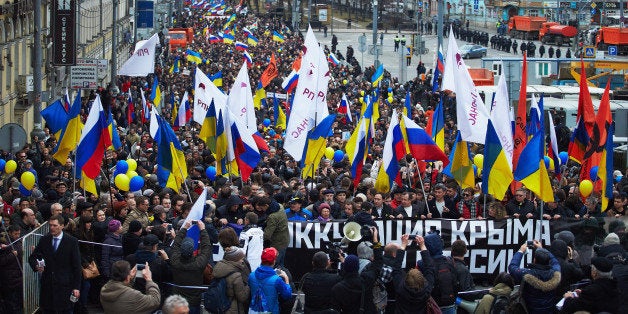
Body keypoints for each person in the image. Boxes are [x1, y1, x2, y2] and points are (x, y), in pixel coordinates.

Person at [28, 215, 82, 314]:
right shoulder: (45, 240)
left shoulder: (71, 241)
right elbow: (32, 257)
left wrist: (76, 287)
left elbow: (77, 266)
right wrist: (36, 265)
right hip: (48, 288)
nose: (52, 228)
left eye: (55, 225)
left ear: (62, 226)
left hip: (65, 287)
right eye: (50, 225)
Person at [331, 226, 383, 313]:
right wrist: (375, 238)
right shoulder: (367, 279)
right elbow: (378, 260)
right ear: (357, 267)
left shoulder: (338, 287)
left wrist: (343, 262)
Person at [170, 220, 212, 314]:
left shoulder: (175, 261)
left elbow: (175, 244)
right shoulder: (198, 264)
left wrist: (184, 228)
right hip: (193, 303)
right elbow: (206, 248)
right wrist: (203, 230)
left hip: (177, 301)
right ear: (193, 251)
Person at [508, 240, 561, 313]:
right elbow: (555, 262)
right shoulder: (555, 273)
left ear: (534, 260)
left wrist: (520, 251)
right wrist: (543, 250)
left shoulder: (526, 274)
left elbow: (512, 267)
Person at [392, 235, 435, 313]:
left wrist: (403, 245)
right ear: (422, 279)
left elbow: (396, 268)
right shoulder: (427, 290)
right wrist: (422, 245)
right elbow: (430, 269)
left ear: (406, 278)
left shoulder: (400, 288)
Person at [248, 247, 292, 314]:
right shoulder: (277, 280)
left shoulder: (251, 276)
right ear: (274, 261)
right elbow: (287, 295)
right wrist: (286, 278)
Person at [213, 246, 251, 313]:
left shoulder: (217, 269)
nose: (242, 261)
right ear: (235, 259)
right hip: (231, 308)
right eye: (241, 259)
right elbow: (242, 297)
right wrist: (248, 286)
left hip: (219, 305)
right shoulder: (236, 276)